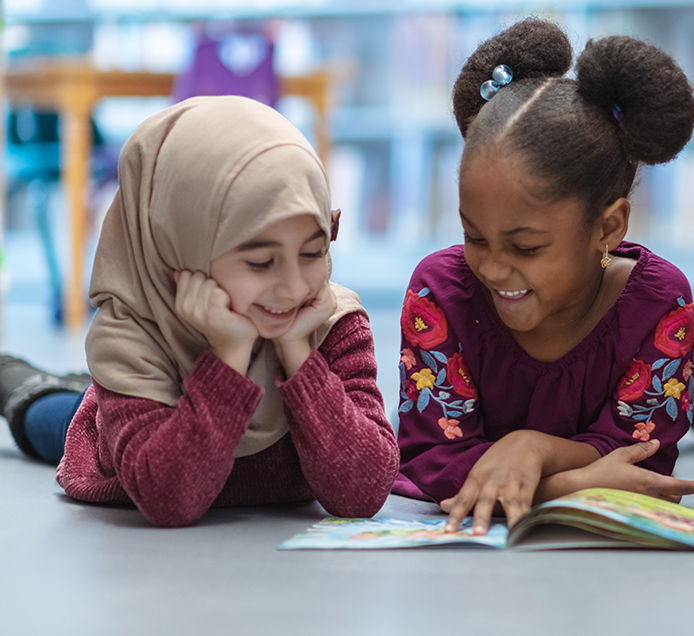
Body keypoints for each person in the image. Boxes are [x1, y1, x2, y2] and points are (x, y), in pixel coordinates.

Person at [0, 95, 399, 527]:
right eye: (261, 262)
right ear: (182, 244)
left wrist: (297, 351)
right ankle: (16, 379)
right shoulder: (132, 336)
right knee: (54, 415)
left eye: (313, 252)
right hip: (121, 450)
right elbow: (170, 500)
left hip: (189, 402)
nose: (294, 287)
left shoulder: (331, 321)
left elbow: (364, 493)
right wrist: (230, 356)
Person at [392, 17, 694, 534]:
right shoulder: (440, 291)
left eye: (527, 247)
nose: (492, 267)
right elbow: (432, 460)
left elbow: (639, 460)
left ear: (608, 227)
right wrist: (565, 485)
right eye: (475, 236)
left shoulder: (659, 303)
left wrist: (530, 447)